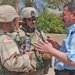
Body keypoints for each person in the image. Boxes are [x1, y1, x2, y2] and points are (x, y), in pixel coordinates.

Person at [35, 2, 75, 75]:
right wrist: (58, 47)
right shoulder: (71, 32)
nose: (62, 18)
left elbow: (72, 60)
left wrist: (50, 50)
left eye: (64, 15)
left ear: (74, 15)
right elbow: (70, 53)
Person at [14, 7, 51, 75]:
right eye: (30, 19)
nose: (33, 22)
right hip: (26, 71)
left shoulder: (39, 32)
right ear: (24, 20)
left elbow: (47, 44)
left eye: (34, 19)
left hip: (40, 69)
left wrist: (48, 52)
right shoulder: (18, 35)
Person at [0, 5, 35, 75]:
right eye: (14, 21)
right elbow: (13, 64)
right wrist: (27, 56)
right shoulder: (5, 39)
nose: (15, 24)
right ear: (7, 23)